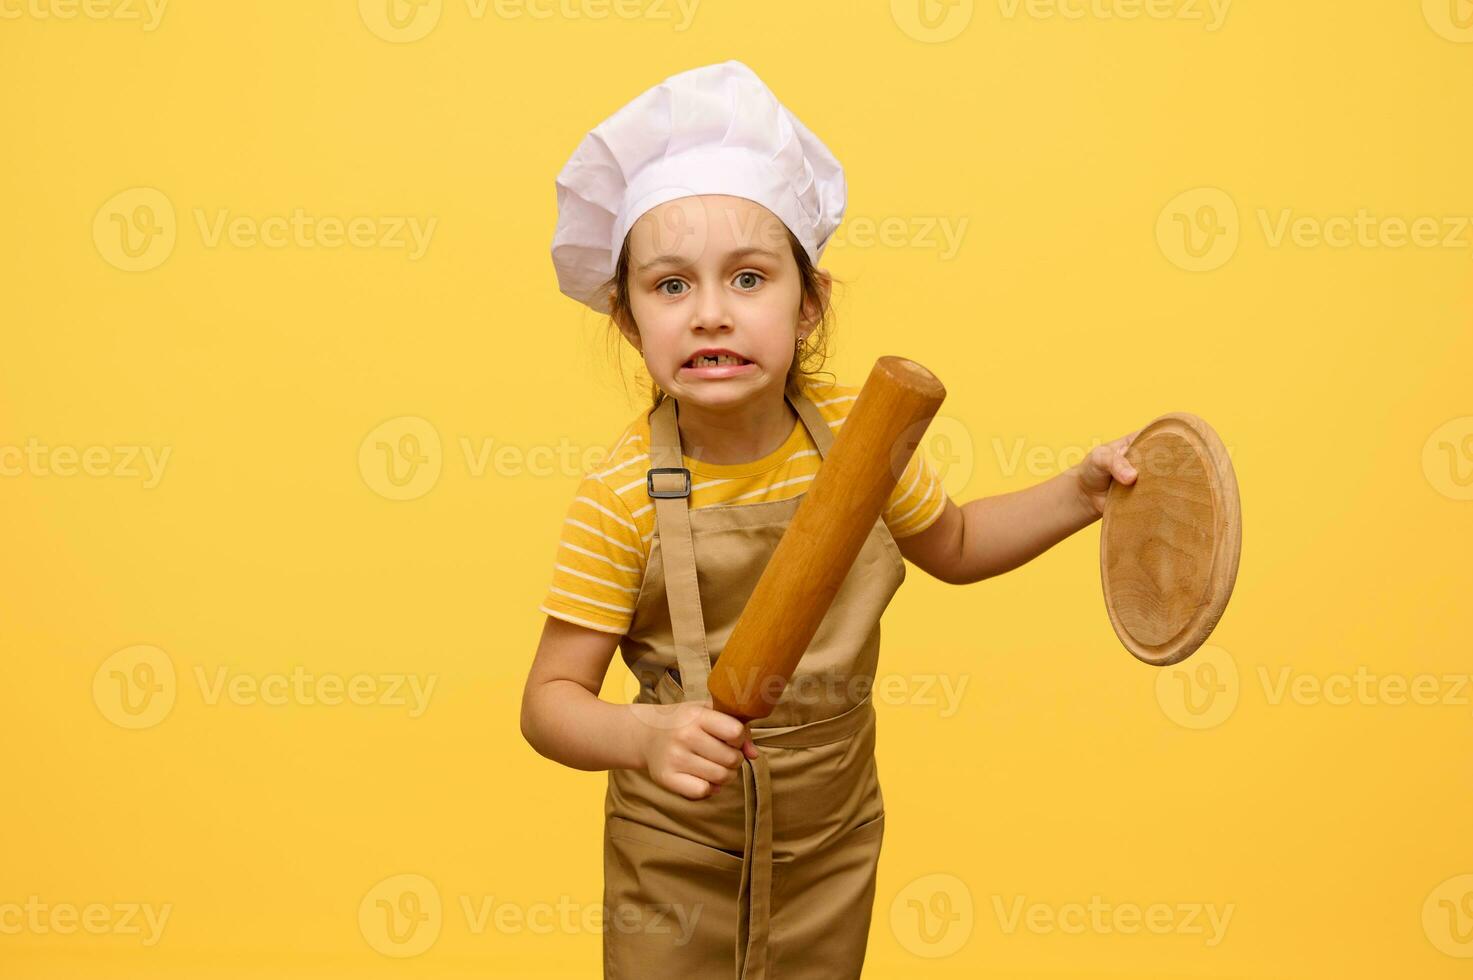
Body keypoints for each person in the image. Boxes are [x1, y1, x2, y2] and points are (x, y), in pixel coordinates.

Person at [520, 59, 1141, 979]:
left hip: (830, 841)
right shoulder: (619, 494)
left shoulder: (859, 440)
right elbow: (547, 704)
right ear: (627, 321)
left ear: (807, 305)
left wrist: (1078, 495)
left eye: (747, 277)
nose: (710, 314)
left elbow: (958, 546)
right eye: (671, 286)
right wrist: (642, 737)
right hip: (675, 850)